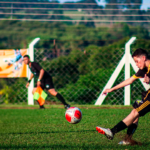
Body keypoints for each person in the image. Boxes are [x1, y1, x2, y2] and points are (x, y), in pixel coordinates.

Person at [96, 48, 150, 145]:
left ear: (144, 58)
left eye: (137, 61)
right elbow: (129, 80)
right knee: (135, 111)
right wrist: (112, 89)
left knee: (135, 112)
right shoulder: (144, 69)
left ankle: (112, 131)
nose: (137, 64)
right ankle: (128, 140)